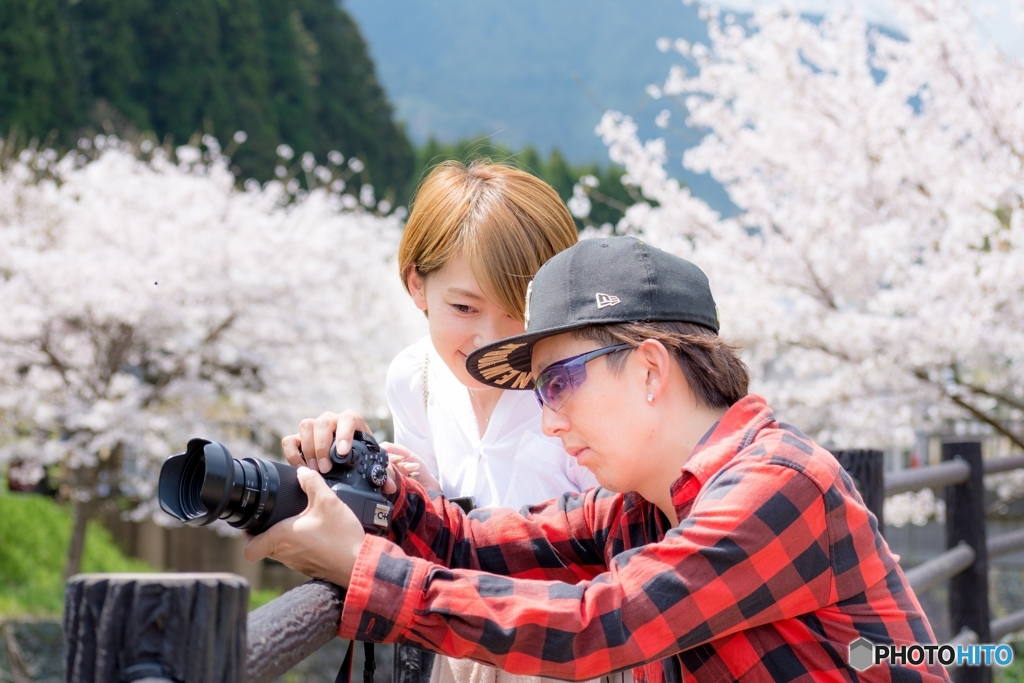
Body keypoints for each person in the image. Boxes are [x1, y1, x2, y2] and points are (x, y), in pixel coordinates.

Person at [247, 236, 949, 682]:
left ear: (648, 369)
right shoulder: (642, 505)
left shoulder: (779, 485)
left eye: (559, 383)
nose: (550, 420)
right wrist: (365, 484)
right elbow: (469, 543)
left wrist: (359, 568)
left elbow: (595, 624)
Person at [281, 160, 598, 683]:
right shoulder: (415, 377)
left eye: (517, 311)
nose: (491, 340)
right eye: (465, 309)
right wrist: (375, 474)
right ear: (417, 288)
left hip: (566, 653)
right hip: (457, 647)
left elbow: (623, 551)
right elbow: (431, 534)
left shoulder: (580, 387)